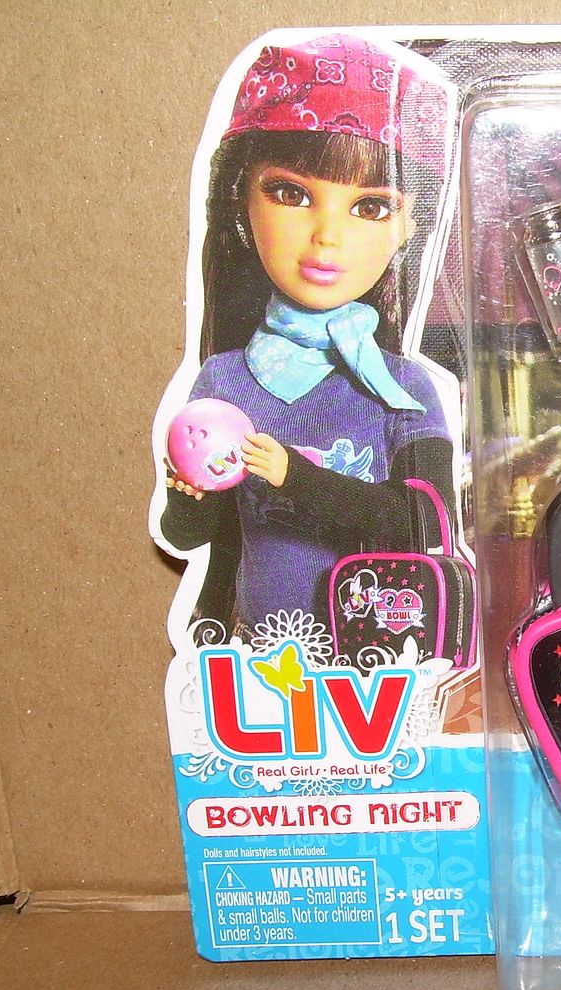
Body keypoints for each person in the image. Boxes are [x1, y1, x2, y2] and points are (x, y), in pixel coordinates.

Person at [160, 34, 460, 638]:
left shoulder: (403, 388)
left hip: (377, 649)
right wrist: (191, 492)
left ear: (411, 224)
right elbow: (186, 537)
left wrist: (293, 478)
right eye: (291, 194)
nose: (327, 236)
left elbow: (426, 525)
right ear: (241, 199)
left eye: (371, 207)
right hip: (254, 650)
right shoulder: (225, 380)